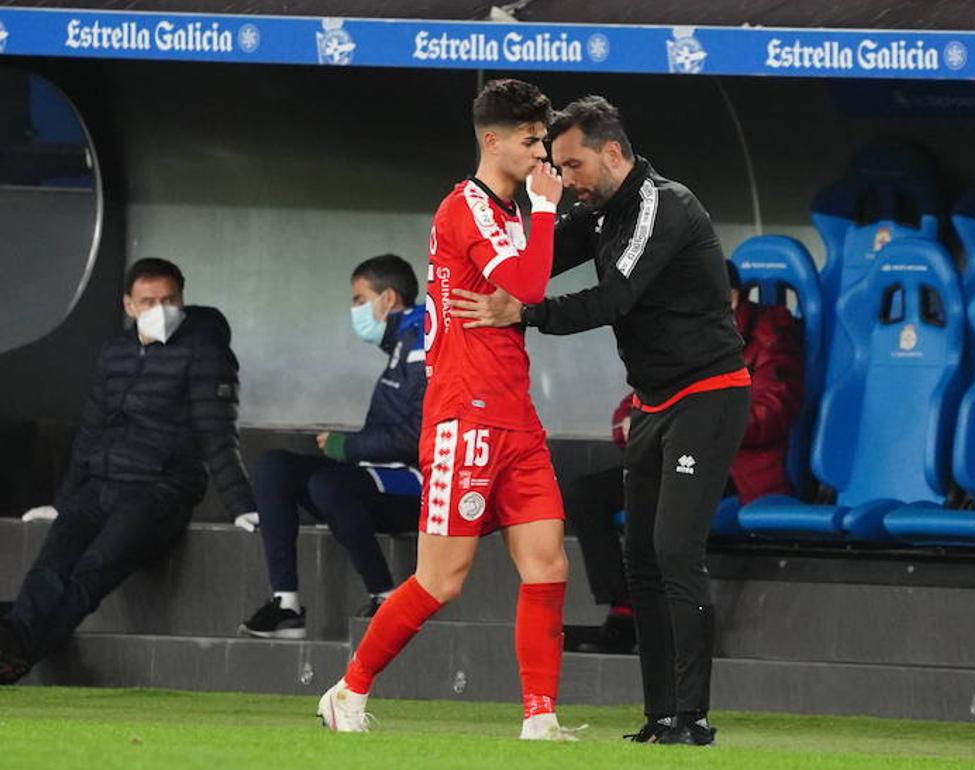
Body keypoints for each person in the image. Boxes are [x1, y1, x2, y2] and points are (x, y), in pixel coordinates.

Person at [449, 95, 750, 746]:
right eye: (555, 165)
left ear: (613, 153)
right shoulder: (598, 210)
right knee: (639, 556)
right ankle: (659, 716)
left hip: (709, 394)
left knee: (674, 550)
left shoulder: (662, 205)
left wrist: (524, 316)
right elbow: (535, 267)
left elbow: (615, 298)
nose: (565, 180)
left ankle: (692, 716)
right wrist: (473, 263)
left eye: (573, 164)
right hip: (651, 400)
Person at [315, 79, 575, 742]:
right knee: (441, 580)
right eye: (530, 139)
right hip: (467, 417)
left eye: (542, 138)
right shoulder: (467, 207)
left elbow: (520, 290)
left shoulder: (511, 210)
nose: (541, 151)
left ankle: (540, 718)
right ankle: (348, 690)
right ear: (492, 141)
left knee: (548, 563)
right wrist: (546, 212)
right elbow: (527, 283)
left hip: (515, 415)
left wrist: (538, 222)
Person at [0, 258, 256, 684]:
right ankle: (12, 645)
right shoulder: (115, 351)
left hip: (159, 490)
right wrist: (64, 502)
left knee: (93, 569)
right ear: (128, 304)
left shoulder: (206, 351)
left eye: (170, 299)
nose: (161, 308)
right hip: (100, 484)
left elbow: (217, 432)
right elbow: (92, 429)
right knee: (50, 565)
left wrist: (241, 504)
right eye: (149, 300)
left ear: (183, 298)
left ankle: (16, 650)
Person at [566, 260, 802, 655]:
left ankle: (677, 625)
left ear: (731, 296)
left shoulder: (771, 336)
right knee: (585, 494)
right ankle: (625, 611)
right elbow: (639, 396)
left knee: (665, 499)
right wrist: (632, 423)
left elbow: (773, 413)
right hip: (672, 457)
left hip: (738, 468)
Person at [239, 254, 426, 639]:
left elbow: (419, 437)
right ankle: (286, 603)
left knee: (328, 484)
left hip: (421, 483)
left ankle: (386, 598)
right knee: (276, 465)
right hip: (379, 475)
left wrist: (348, 446)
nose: (354, 310)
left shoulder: (423, 341)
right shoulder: (401, 344)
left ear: (388, 299)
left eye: (359, 299)